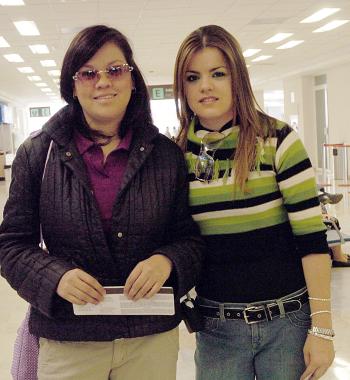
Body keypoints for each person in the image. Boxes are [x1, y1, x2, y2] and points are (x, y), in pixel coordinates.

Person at [0, 25, 203, 380]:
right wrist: (55, 276)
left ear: (132, 79)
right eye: (88, 73)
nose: (103, 81)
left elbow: (189, 238)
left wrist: (166, 261)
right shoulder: (38, 154)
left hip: (149, 338)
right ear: (72, 86)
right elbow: (11, 245)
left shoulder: (166, 155)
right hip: (69, 340)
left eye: (115, 69)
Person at [173, 25, 335, 380]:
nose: (206, 86)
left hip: (287, 324)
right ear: (181, 87)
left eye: (218, 73)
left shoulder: (277, 140)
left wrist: (321, 327)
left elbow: (312, 241)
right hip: (216, 328)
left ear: (237, 78)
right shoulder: (174, 155)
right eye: (193, 76)